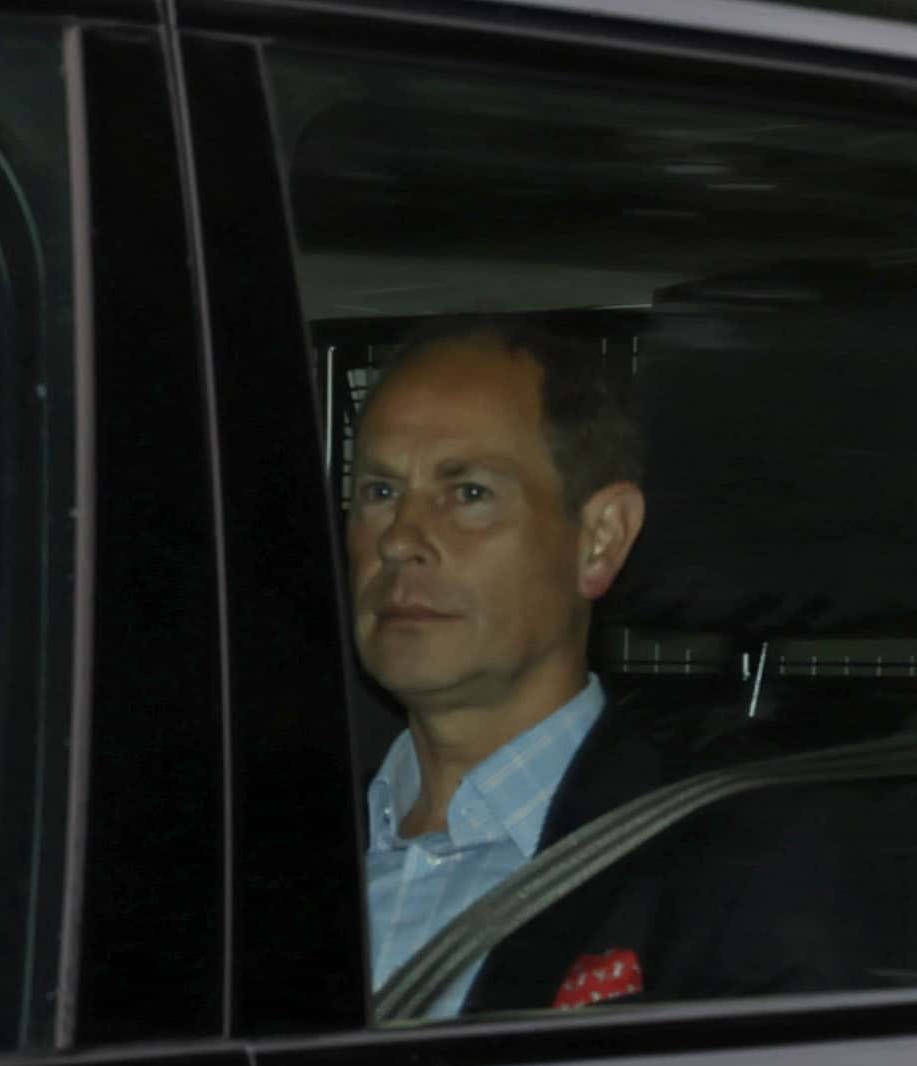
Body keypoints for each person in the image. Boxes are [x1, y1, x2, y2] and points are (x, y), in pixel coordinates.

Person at [347, 316, 848, 1015]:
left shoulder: (725, 860)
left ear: (600, 539)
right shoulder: (238, 843)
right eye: (379, 492)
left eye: (468, 494)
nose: (400, 540)